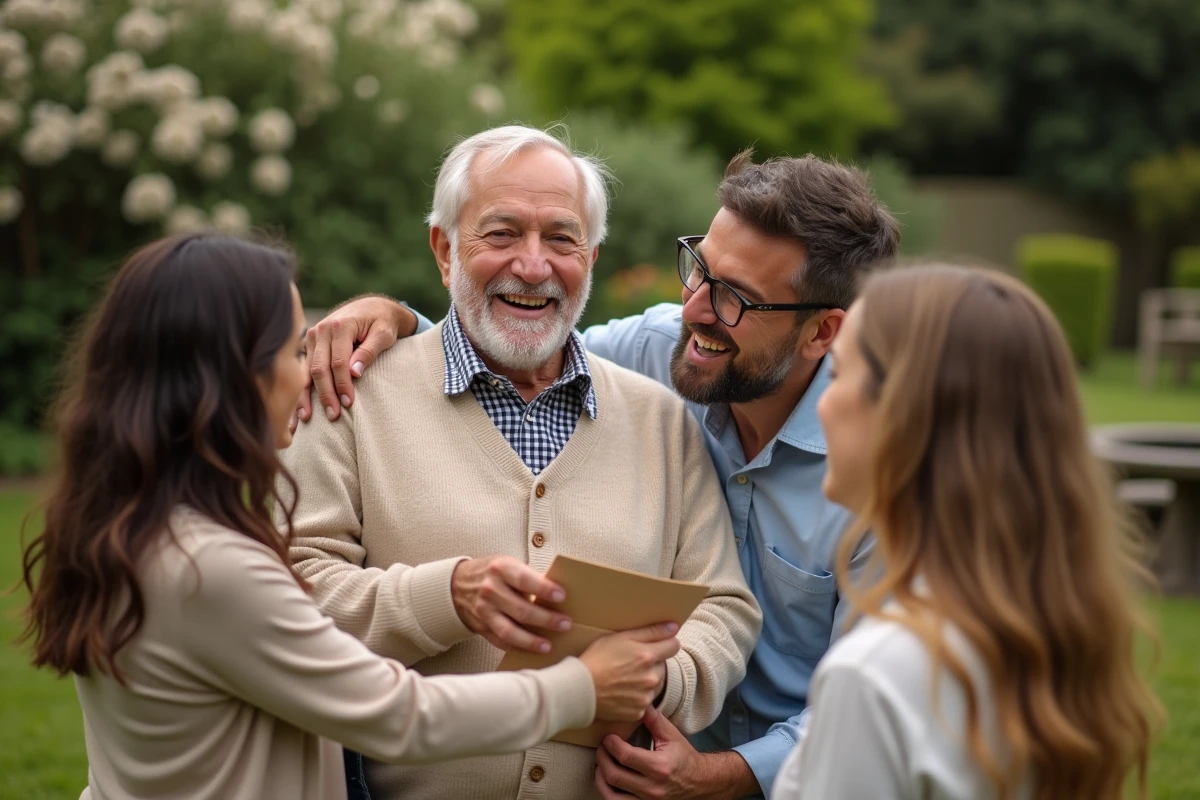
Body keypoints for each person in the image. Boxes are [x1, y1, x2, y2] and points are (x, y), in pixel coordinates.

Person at [299, 140, 900, 798]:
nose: (694, 309)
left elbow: (866, 707)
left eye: (735, 298)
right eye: (698, 270)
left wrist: (691, 735)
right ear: (444, 249)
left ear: (821, 333)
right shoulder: (666, 355)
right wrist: (393, 320)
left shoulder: (887, 475)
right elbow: (513, 326)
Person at [18, 233, 685, 800]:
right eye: (292, 350)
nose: (308, 370)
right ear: (232, 379)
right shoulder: (208, 569)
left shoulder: (127, 524)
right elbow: (399, 716)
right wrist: (582, 686)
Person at [772, 264, 1162, 798]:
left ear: (905, 414)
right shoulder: (1044, 625)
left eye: (839, 375)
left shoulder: (877, 674)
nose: (822, 403)